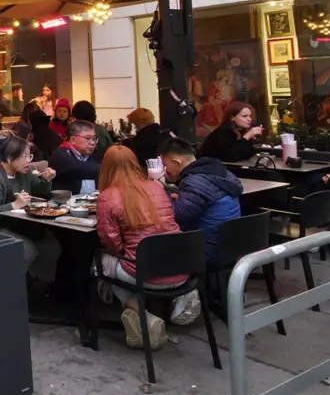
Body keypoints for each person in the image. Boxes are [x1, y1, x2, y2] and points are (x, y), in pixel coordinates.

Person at [96, 145, 187, 349]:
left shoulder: (107, 196)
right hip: (182, 266)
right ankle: (185, 296)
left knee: (102, 263)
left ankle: (141, 314)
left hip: (147, 274)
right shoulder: (156, 186)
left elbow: (112, 243)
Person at [0, 135, 60, 280]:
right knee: (28, 249)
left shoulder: (25, 172)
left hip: (22, 223)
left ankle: (42, 284)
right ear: (10, 158)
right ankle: (17, 287)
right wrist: (14, 205)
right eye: (25, 156)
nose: (29, 161)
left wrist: (46, 180)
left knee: (52, 245)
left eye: (30, 155)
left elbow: (40, 192)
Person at [159, 136, 242, 271]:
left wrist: (161, 192)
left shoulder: (196, 181)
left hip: (210, 247)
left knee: (155, 243)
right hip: (230, 243)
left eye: (165, 164)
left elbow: (178, 214)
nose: (165, 169)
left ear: (177, 162)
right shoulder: (218, 172)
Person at [49, 120, 101, 195]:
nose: (92, 143)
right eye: (88, 138)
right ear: (73, 139)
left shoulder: (90, 154)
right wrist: (108, 168)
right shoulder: (61, 154)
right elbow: (78, 168)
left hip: (90, 202)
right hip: (66, 204)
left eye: (94, 138)